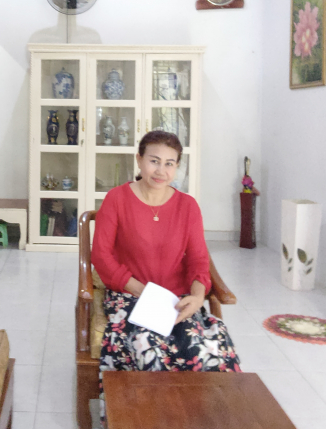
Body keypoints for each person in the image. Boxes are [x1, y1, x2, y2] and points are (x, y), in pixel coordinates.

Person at [91, 131, 241, 412]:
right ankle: (150, 417)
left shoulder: (187, 206)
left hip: (176, 298)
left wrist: (198, 296)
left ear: (177, 166)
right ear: (139, 160)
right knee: (147, 344)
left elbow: (199, 259)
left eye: (170, 163)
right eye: (154, 161)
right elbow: (101, 256)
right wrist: (142, 290)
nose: (161, 170)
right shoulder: (117, 199)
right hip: (130, 295)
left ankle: (202, 417)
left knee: (205, 345)